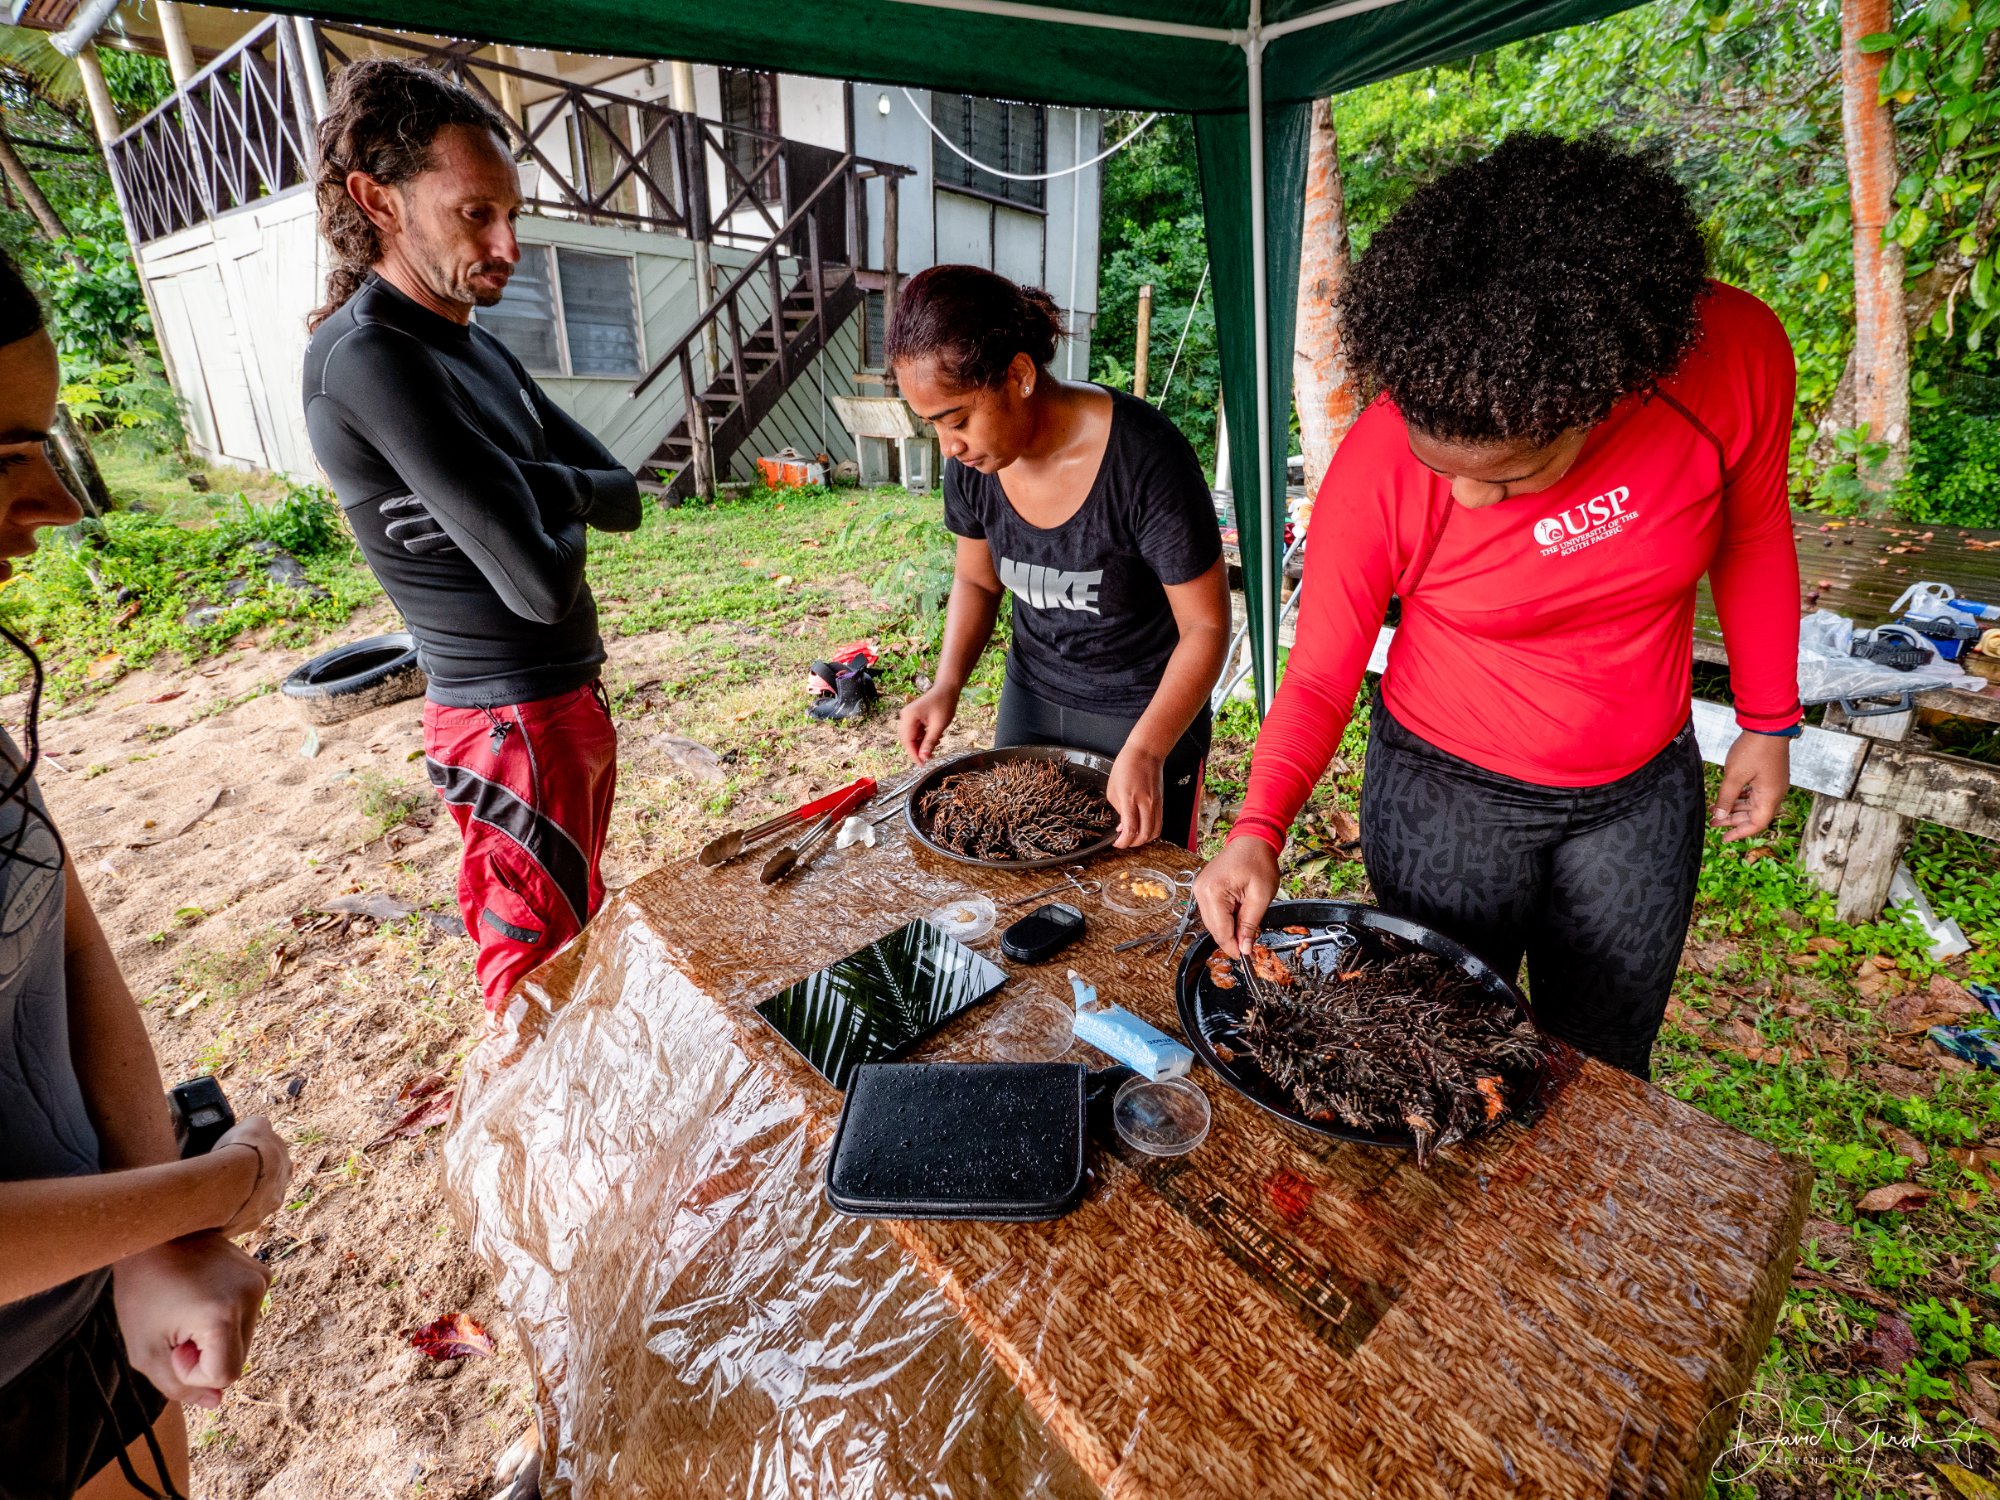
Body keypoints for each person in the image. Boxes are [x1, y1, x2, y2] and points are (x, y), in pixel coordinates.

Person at [1194, 135, 1802, 1079]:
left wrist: (1768, 720)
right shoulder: (1382, 460)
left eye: (1509, 478)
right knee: (1440, 1050)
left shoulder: (1734, 356)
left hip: (1637, 797)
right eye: (1445, 470)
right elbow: (1318, 672)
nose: (1470, 503)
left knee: (1602, 1066)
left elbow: (1755, 531)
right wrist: (1256, 829)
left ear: (1601, 394)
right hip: (1447, 793)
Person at [0, 250, 293, 1498]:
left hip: (85, 1304)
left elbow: (59, 925)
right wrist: (224, 1180)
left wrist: (156, 1229)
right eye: (6, 458)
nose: (59, 506)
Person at [302, 60, 642, 1010]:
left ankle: (574, 1130)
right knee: (534, 974)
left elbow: (625, 496)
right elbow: (539, 587)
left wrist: (533, 485)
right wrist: (554, 511)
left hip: (560, 707)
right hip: (508, 724)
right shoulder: (372, 357)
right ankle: (537, 1150)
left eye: (513, 216)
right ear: (378, 200)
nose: (508, 246)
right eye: (475, 215)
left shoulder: (472, 345)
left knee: (571, 933)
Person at [892, 266, 1229, 850]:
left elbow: (1206, 626)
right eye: (934, 428)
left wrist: (1148, 748)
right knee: (1015, 870)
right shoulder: (973, 466)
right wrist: (946, 684)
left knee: (1135, 904)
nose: (949, 447)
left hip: (1143, 710)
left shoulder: (1147, 461)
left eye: (959, 420)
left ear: (1019, 374)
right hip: (1033, 695)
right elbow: (977, 581)